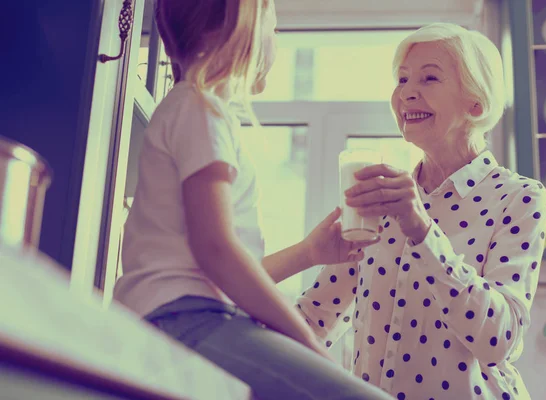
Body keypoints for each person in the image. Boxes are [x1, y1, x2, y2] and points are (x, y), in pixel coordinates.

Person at [111, 1, 392, 399]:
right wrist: (309, 346)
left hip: (175, 318)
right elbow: (217, 252)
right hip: (182, 322)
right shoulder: (201, 108)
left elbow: (215, 264)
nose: (276, 44)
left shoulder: (191, 107)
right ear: (235, 28)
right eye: (273, 30)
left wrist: (308, 252)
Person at [297, 23, 546, 399]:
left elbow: (500, 341)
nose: (406, 93)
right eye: (401, 79)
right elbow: (312, 320)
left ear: (475, 103)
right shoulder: (382, 201)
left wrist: (422, 232)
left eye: (429, 78)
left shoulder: (519, 197)